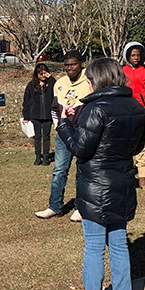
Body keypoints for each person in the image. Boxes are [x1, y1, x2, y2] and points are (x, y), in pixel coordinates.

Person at [55, 58, 145, 290]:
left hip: (95, 185)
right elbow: (136, 146)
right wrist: (78, 122)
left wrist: (63, 125)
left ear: (96, 81)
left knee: (95, 247)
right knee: (119, 245)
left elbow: (81, 149)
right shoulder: (136, 108)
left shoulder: (95, 109)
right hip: (122, 182)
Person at [35, 51, 91, 222]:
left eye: (73, 64)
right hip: (63, 134)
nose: (69, 68)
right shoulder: (59, 83)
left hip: (83, 134)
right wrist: (59, 126)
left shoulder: (90, 82)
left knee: (82, 171)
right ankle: (55, 206)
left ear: (81, 63)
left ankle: (80, 208)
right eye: (66, 65)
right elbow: (54, 109)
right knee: (59, 170)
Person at [122, 41, 145, 193]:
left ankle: (143, 180)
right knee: (123, 146)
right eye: (132, 55)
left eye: (138, 55)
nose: (135, 58)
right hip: (122, 113)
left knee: (140, 147)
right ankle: (126, 178)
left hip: (139, 113)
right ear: (127, 56)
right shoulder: (121, 70)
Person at [22, 63, 56, 166]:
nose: (43, 76)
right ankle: (37, 157)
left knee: (46, 137)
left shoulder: (50, 84)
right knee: (37, 137)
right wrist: (26, 116)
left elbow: (57, 87)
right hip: (35, 115)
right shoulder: (31, 85)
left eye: (45, 73)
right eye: (40, 73)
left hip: (48, 116)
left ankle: (46, 157)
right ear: (36, 74)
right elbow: (26, 101)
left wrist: (50, 78)